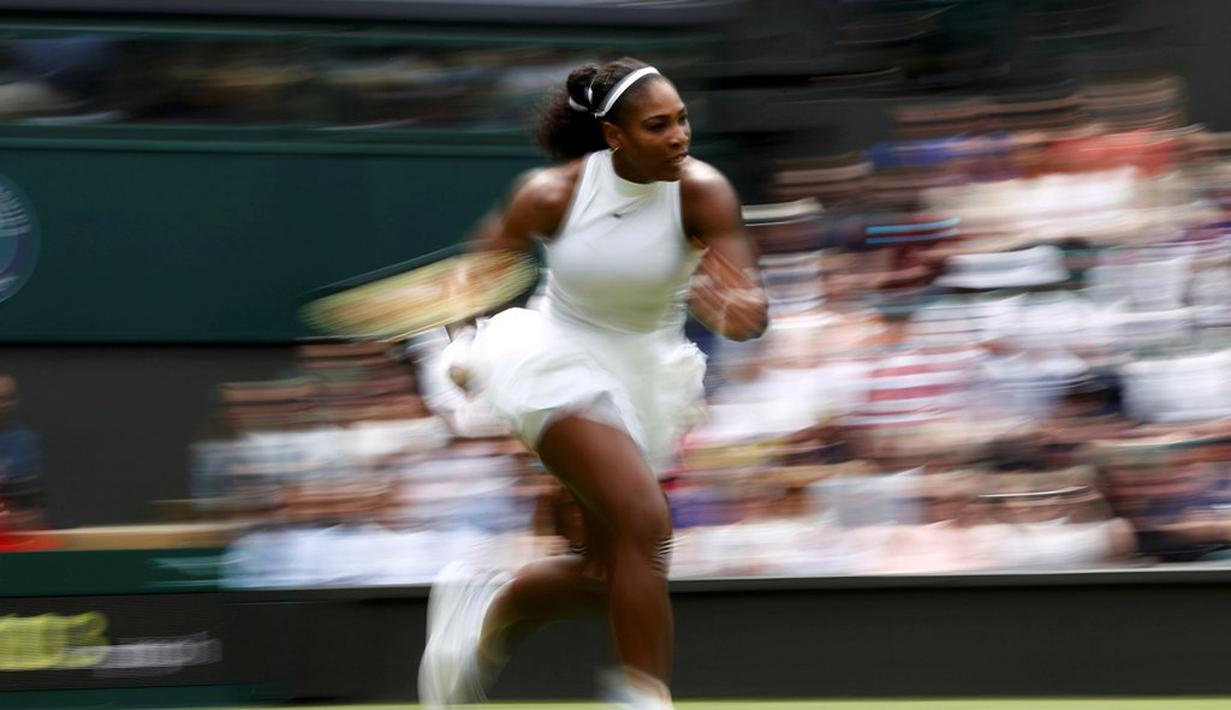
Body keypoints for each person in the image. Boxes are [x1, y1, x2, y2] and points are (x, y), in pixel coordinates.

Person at [417, 57, 768, 709]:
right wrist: (464, 345)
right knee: (645, 520)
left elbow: (743, 299)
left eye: (682, 120)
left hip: (647, 378)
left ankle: (489, 607)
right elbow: (475, 275)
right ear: (614, 136)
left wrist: (741, 311)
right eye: (657, 125)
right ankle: (642, 698)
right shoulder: (549, 194)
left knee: (605, 575)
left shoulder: (704, 191)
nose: (678, 136)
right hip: (552, 360)